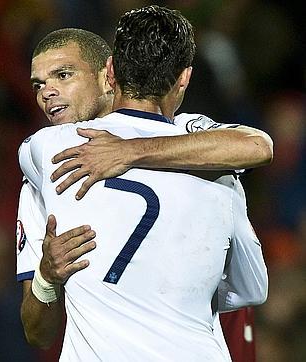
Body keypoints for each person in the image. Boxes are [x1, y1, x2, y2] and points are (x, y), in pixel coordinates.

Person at [17, 6, 267, 360]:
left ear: (108, 73)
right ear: (183, 78)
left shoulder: (47, 153)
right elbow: (37, 333)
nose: (48, 92)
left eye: (64, 75)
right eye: (39, 84)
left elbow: (255, 146)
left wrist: (129, 151)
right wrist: (46, 277)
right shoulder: (213, 160)